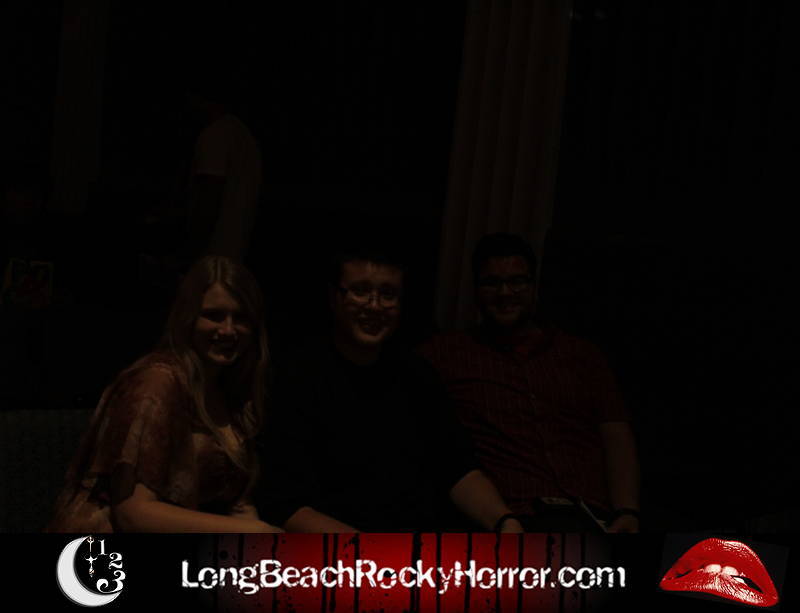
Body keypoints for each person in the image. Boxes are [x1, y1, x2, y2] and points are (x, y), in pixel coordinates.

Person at [255, 248, 524, 533]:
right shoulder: (297, 376)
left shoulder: (417, 374)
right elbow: (284, 504)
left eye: (388, 294)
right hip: (335, 549)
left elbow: (457, 468)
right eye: (360, 291)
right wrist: (374, 552)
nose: (374, 306)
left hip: (415, 544)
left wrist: (504, 520)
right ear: (334, 298)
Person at [420, 233, 641, 532]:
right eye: (492, 283)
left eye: (517, 281)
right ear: (476, 290)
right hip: (509, 519)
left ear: (534, 286)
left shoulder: (581, 356)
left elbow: (615, 433)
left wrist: (627, 511)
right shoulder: (446, 355)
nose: (505, 293)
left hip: (594, 517)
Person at [46, 256, 281, 532]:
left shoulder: (230, 389)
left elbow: (237, 506)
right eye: (214, 315)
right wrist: (253, 532)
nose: (228, 330)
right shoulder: (157, 382)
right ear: (188, 317)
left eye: (240, 318)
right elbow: (132, 513)